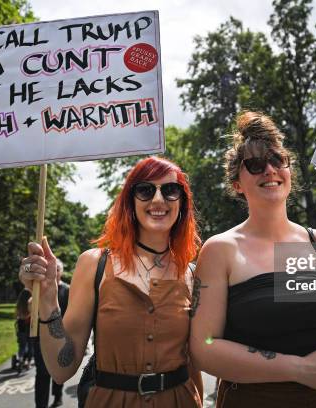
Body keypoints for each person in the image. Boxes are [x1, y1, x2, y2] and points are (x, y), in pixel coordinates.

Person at [189, 111, 316, 407]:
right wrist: (297, 369)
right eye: (256, 164)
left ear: (289, 170)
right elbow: (203, 347)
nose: (269, 170)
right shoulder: (220, 249)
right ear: (236, 183)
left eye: (277, 160)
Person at [20, 157, 203, 408]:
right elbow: (62, 370)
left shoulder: (193, 273)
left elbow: (193, 363)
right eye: (145, 190)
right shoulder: (94, 265)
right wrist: (48, 298)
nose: (158, 199)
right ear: (130, 201)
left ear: (182, 202)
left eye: (170, 190)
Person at [31, 259, 69, 408]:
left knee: (58, 373)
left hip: (62, 337)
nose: (55, 272)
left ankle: (58, 396)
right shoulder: (39, 287)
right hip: (41, 337)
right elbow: (30, 308)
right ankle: (41, 405)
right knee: (41, 373)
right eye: (54, 269)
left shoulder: (67, 290)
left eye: (58, 269)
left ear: (61, 272)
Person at [15, 288, 33, 374]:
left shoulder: (19, 304)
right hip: (30, 326)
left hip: (21, 326)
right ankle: (28, 363)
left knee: (22, 345)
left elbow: (16, 315)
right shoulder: (31, 302)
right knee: (30, 345)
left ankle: (20, 359)